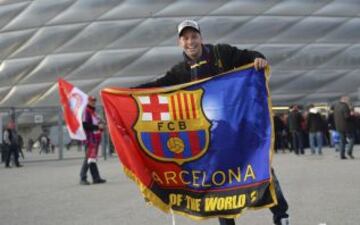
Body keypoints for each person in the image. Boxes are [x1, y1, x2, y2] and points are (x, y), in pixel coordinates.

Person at [137, 19, 290, 225]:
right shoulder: (179, 72)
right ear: (179, 43)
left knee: (261, 171)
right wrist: (129, 93)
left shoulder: (221, 53)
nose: (190, 41)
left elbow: (249, 56)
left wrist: (259, 59)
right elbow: (158, 86)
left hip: (239, 131)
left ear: (201, 38)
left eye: (194, 36)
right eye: (185, 38)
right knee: (219, 185)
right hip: (211, 140)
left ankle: (281, 215)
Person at [79, 96, 106, 185]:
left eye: (94, 100)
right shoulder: (86, 111)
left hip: (94, 139)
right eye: (91, 100)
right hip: (90, 139)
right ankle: (83, 178)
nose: (93, 102)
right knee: (88, 158)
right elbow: (85, 125)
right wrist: (98, 127)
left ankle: (96, 178)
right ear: (88, 101)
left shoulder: (93, 112)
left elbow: (96, 124)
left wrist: (101, 125)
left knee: (92, 159)